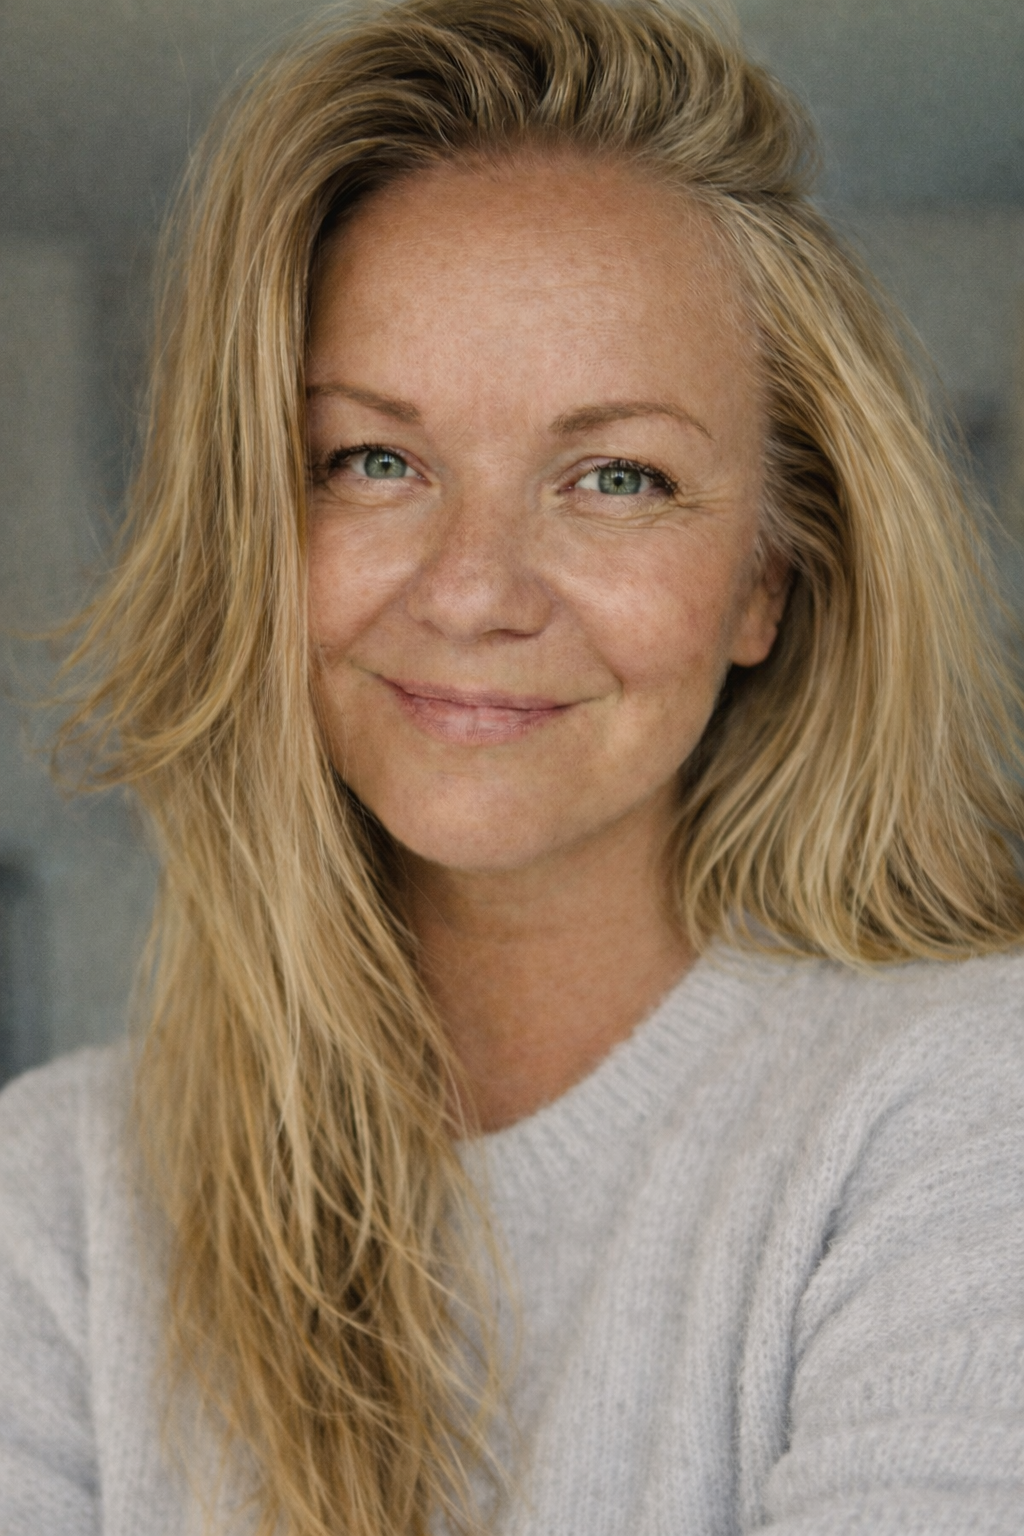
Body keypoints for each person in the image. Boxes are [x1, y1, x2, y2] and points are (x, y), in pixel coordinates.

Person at [2, 0, 1023, 1532]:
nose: (476, 587)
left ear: (768, 577)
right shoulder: (53, 1204)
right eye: (374, 461)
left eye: (618, 476)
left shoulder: (961, 1109)